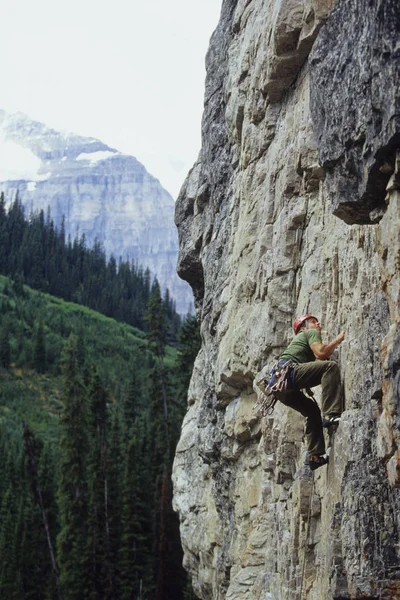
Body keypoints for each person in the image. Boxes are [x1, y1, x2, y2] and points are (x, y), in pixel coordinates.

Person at [274, 314, 345, 471]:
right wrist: (338, 340)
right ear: (303, 328)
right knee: (330, 367)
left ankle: (315, 456)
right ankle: (331, 414)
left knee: (312, 411)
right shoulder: (309, 333)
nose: (318, 323)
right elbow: (321, 353)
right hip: (289, 375)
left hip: (279, 387)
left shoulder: (298, 344)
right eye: (313, 322)